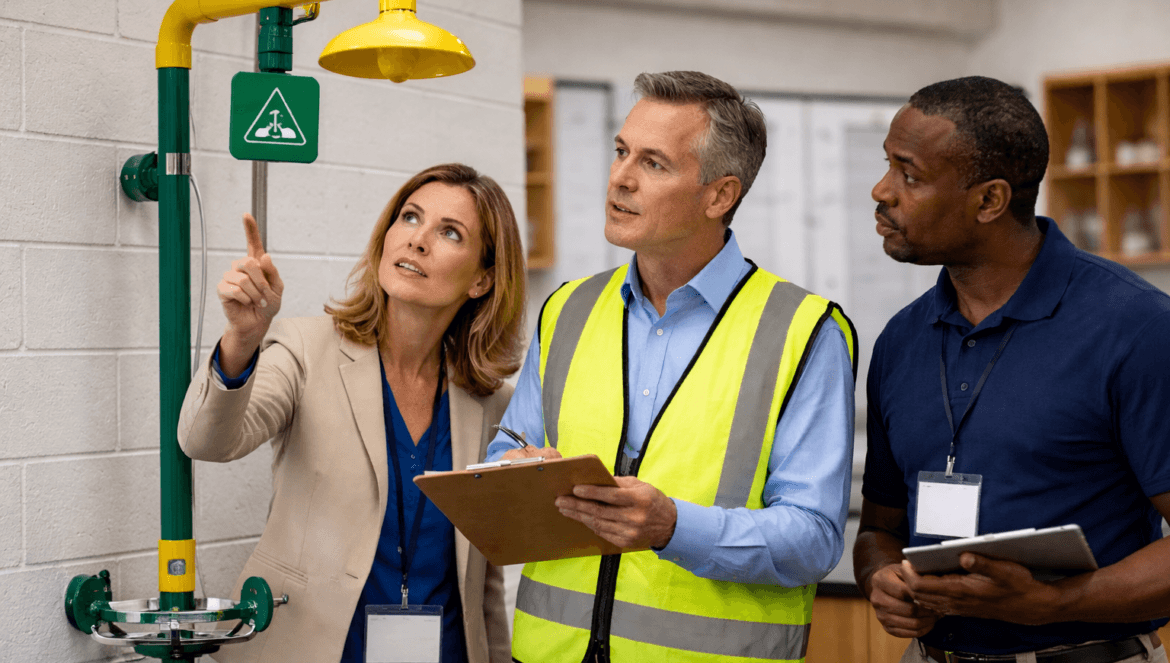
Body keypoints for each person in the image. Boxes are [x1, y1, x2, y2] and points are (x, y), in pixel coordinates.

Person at [487, 70, 857, 663]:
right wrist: (513, 470)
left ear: (719, 195)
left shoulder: (804, 332)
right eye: (620, 151)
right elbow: (508, 450)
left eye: (653, 163)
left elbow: (813, 540)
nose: (620, 177)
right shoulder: (567, 309)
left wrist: (672, 527)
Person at [854, 76, 1170, 663]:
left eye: (909, 174)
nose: (882, 190)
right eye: (887, 166)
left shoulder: (1137, 327)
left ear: (990, 201)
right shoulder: (901, 339)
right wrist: (882, 580)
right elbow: (880, 530)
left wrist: (1059, 601)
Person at [178, 163, 525, 663]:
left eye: (449, 233)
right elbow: (206, 442)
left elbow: (481, 577)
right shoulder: (305, 348)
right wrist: (242, 340)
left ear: (482, 280)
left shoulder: (490, 400)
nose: (418, 241)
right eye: (409, 218)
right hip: (308, 648)